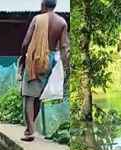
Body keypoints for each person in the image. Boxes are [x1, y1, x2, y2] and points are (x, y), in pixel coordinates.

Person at [18, 0, 70, 141]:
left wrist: (23, 59)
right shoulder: (62, 23)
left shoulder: (37, 19)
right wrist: (65, 67)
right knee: (38, 97)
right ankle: (32, 127)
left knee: (29, 97)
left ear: (43, 6)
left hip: (35, 59)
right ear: (55, 6)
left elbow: (25, 42)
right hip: (50, 59)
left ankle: (29, 131)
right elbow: (64, 47)